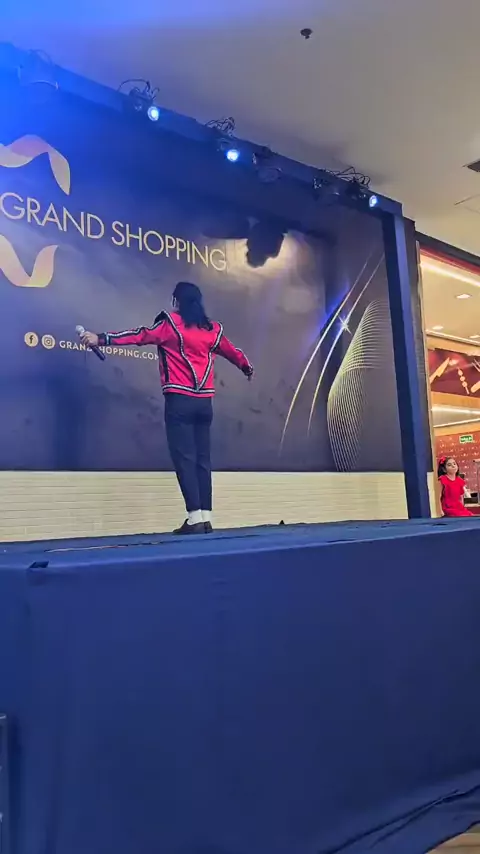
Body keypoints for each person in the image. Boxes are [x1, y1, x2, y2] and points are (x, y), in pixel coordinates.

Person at [81, 281, 253, 535]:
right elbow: (232, 351)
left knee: (185, 458)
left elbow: (139, 336)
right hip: (204, 403)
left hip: (179, 401)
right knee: (202, 460)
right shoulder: (212, 329)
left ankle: (194, 518)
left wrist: (101, 338)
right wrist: (246, 367)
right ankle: (205, 518)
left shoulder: (170, 324)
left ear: (176, 301)